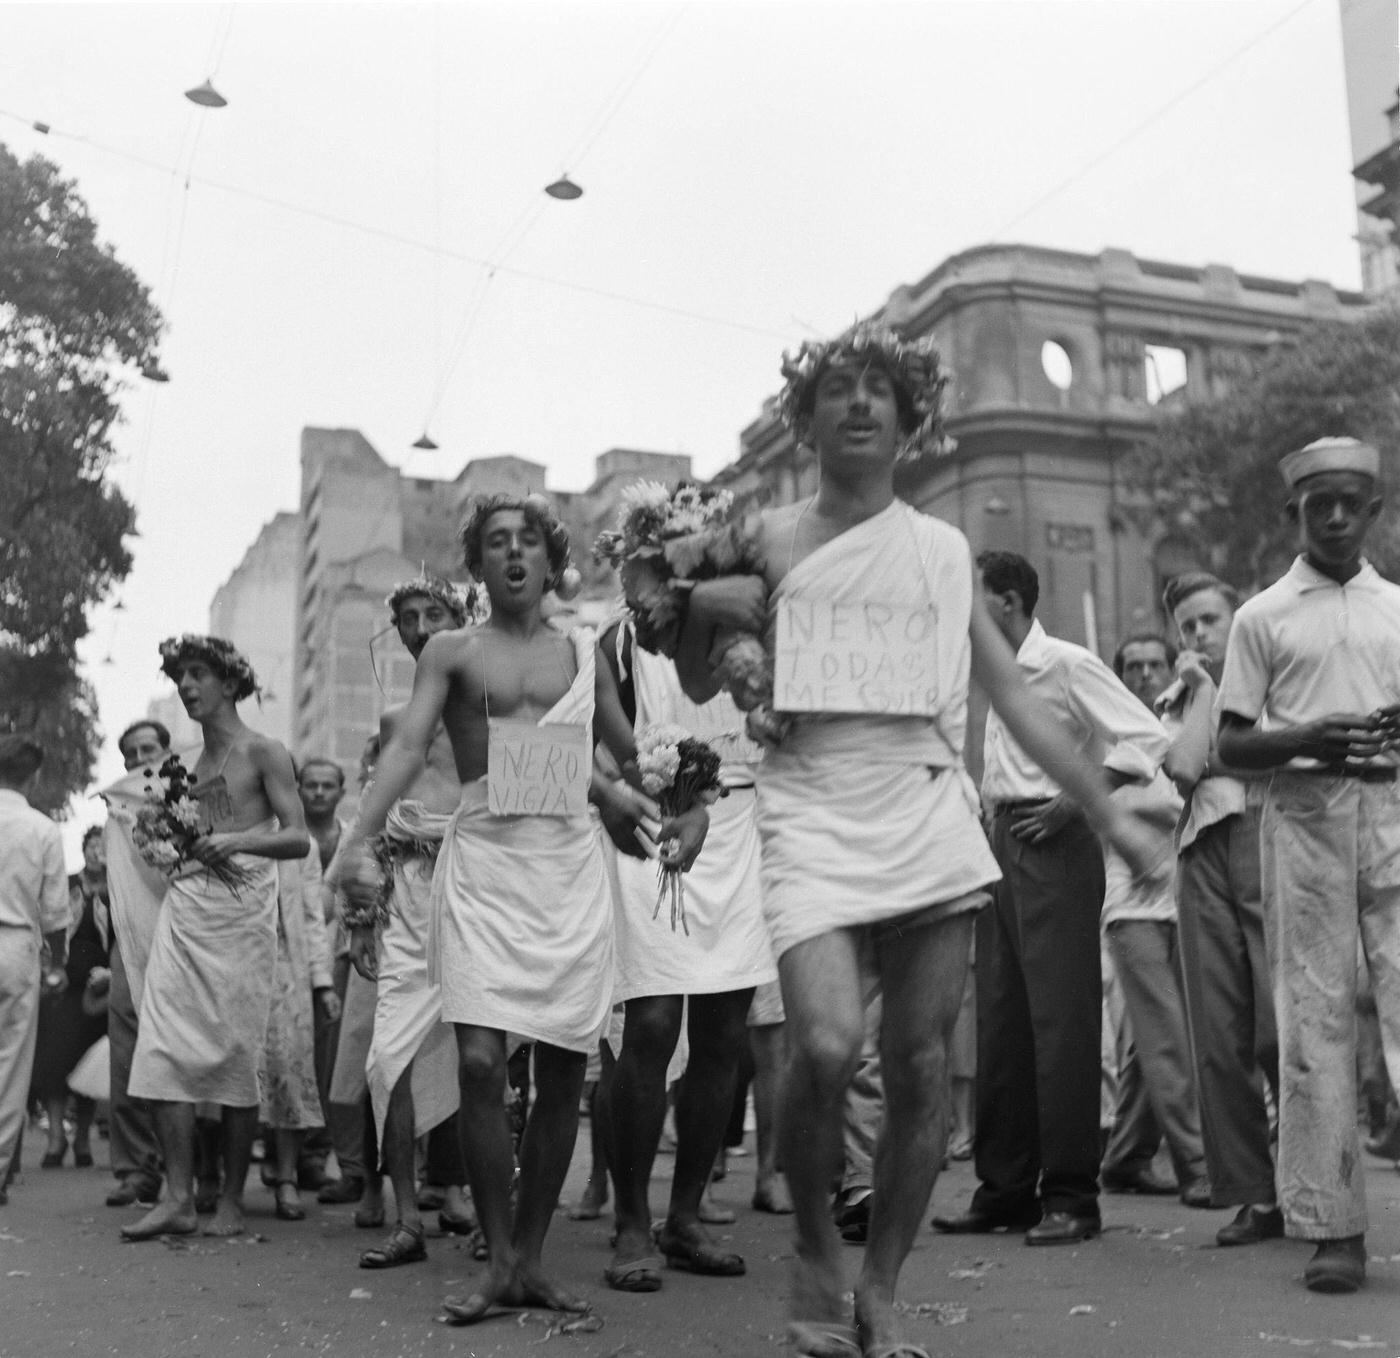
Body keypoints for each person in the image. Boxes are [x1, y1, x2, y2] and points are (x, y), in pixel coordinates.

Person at [676, 325, 1162, 1358]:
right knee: (821, 1039)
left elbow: (1016, 701)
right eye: (836, 390)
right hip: (808, 800)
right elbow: (690, 672)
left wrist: (1108, 805)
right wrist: (695, 607)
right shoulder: (761, 536)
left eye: (877, 391)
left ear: (908, 417)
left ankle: (882, 1286)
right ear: (804, 418)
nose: (857, 404)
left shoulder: (940, 548)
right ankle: (814, 1241)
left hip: (922, 802)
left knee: (919, 1061)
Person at [336, 494, 708, 1325]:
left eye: (527, 542)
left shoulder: (582, 653)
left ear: (550, 559)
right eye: (496, 542)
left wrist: (689, 801)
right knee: (476, 1063)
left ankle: (530, 1260)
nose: (512, 555)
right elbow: (405, 747)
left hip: (566, 868)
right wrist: (356, 839)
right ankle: (498, 1260)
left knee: (563, 1071)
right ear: (477, 563)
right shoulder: (449, 650)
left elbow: (628, 754)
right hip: (484, 863)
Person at [932, 554, 1169, 1255]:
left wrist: (1075, 803)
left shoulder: (1065, 662)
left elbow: (1145, 735)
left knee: (1061, 1022)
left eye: (973, 597)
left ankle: (1071, 1197)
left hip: (1053, 840)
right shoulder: (988, 670)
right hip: (999, 839)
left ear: (1005, 601)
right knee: (1001, 1021)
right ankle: (1004, 1190)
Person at [1216, 435, 1400, 1294]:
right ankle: (1333, 1230)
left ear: (1373, 511)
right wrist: (1305, 739)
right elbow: (1228, 744)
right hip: (1301, 820)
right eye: (1315, 503)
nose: (1332, 516)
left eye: (1348, 503)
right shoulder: (1260, 617)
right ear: (1293, 513)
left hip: (1393, 813)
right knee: (1314, 1019)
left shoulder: (1398, 608)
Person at [596, 617, 779, 1293]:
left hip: (740, 829)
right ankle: (632, 1223)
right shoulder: (616, 641)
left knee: (724, 1034)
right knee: (648, 1026)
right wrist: (656, 786)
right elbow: (598, 725)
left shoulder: (754, 631)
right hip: (652, 816)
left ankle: (684, 1217)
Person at [120, 635, 310, 1241]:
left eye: (198, 674)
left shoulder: (265, 752)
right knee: (160, 1047)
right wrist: (161, 839)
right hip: (188, 909)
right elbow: (179, 840)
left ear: (231, 682)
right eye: (180, 679)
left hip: (243, 911)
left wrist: (236, 842)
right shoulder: (184, 767)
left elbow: (299, 837)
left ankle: (229, 1196)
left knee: (236, 1052)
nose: (187, 687)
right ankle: (177, 1195)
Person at [348, 575, 476, 1269]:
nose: (420, 627)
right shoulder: (396, 722)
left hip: (480, 886)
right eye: (407, 618)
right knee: (387, 1059)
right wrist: (362, 908)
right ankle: (406, 1221)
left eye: (434, 613)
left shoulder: (491, 703)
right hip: (408, 892)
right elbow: (374, 815)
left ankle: (487, 1209)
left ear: (460, 618)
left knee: (488, 1052)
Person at [1159, 572, 1281, 1247]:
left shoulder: (1272, 677)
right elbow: (1183, 767)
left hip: (1264, 839)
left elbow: (1265, 763)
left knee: (1277, 1025)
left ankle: (1306, 1180)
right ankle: (1254, 1197)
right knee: (1219, 1031)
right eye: (1189, 626)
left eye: (1211, 619)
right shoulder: (1182, 695)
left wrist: (1222, 758)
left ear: (1237, 618)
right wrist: (1204, 688)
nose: (1202, 634)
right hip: (1202, 852)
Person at [1097, 634, 1210, 1206]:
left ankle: (1123, 1159)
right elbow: (1167, 798)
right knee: (1167, 1041)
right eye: (1132, 665)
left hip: (1181, 898)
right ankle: (1197, 1167)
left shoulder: (1179, 726)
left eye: (1153, 664)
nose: (1143, 673)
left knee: (1154, 1043)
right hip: (1132, 905)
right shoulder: (1115, 736)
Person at [100, 720, 172, 1208]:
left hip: (181, 931)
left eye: (150, 748)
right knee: (126, 1051)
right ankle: (134, 1169)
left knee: (181, 1048)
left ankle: (189, 1170)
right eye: (132, 752)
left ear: (167, 752)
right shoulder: (114, 806)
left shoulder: (195, 794)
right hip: (128, 940)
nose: (141, 756)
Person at [0, 735, 70, 1208]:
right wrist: (59, 963)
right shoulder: (42, 829)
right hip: (15, 945)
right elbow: (56, 911)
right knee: (10, 1061)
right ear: (35, 774)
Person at [258, 818, 338, 1222]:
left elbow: (311, 915)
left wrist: (323, 984)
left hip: (288, 962)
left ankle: (287, 1177)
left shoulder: (302, 845)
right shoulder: (224, 829)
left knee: (288, 1069)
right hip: (234, 958)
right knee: (233, 1068)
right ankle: (215, 1180)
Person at [30, 825, 109, 1169]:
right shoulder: (69, 883)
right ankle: (55, 1138)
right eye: (92, 846)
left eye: (102, 846)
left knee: (88, 1065)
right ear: (84, 849)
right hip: (64, 986)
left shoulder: (115, 887)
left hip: (98, 988)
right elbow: (50, 923)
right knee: (54, 1062)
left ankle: (81, 1139)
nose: (96, 852)